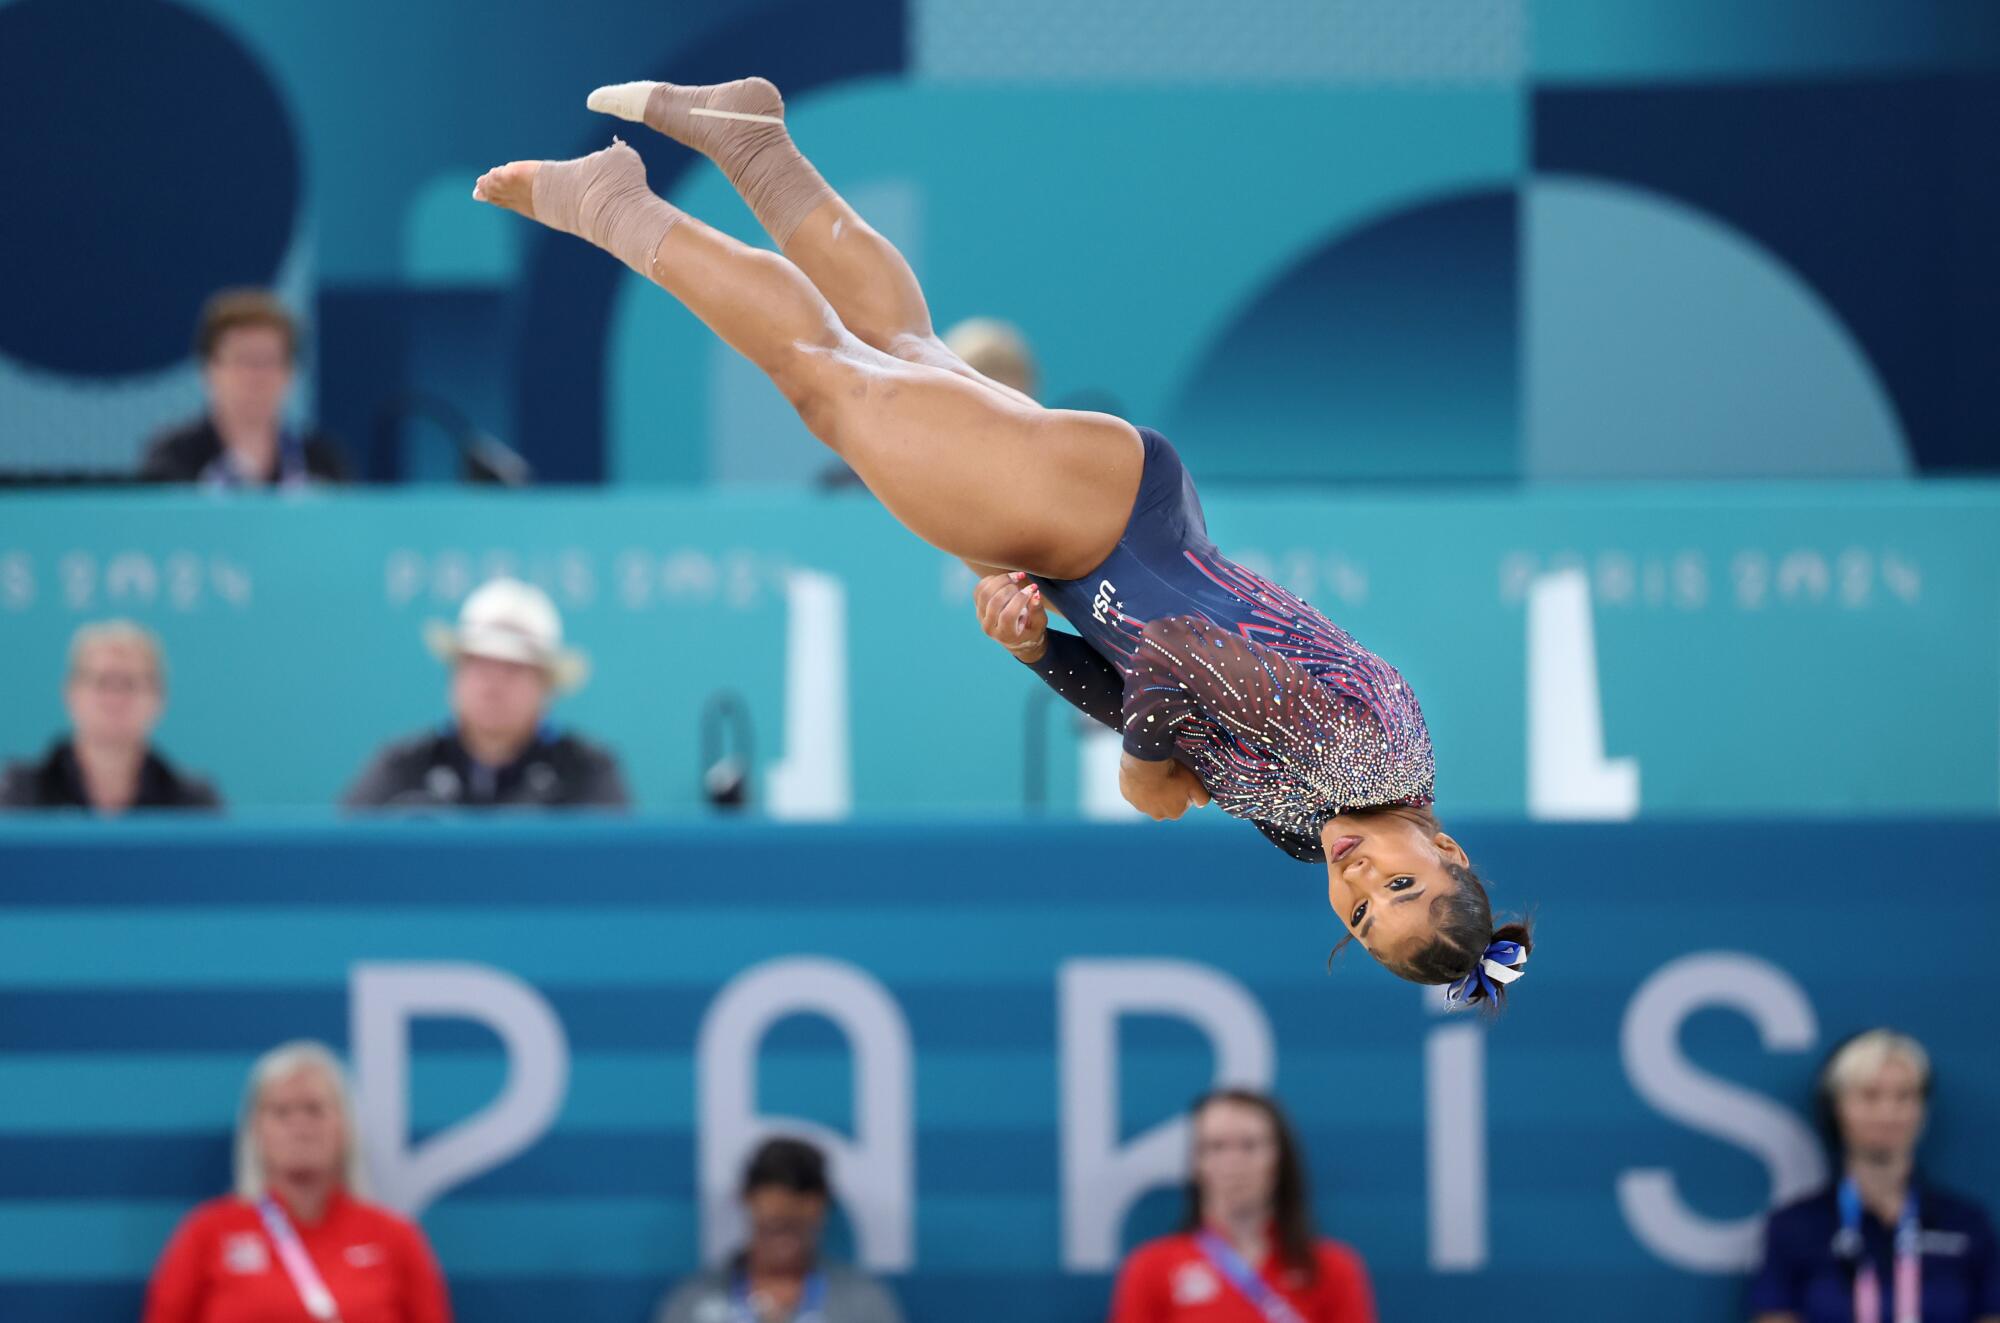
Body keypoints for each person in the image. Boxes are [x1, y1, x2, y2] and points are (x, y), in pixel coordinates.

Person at [470, 77, 1530, 1002]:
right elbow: (1174, 662)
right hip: (1104, 531)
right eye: (1396, 884)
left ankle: (751, 139)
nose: (1354, 883)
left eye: (1357, 918)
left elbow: (1140, 690)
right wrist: (1143, 780)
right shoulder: (1365, 758)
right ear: (1445, 846)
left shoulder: (1317, 828)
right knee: (826, 384)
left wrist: (1036, 654)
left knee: (890, 349)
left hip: (1104, 541)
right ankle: (614, 206)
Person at [143, 1040, 452, 1323]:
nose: (300, 1126)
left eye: (314, 1110)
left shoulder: (395, 1238)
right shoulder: (207, 1234)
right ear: (256, 1131)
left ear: (344, 1126)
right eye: (281, 1112)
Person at [1750, 1030, 2000, 1323]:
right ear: (1836, 1109)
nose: (1888, 1112)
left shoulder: (1967, 1224)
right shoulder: (1794, 1227)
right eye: (1870, 1096)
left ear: (1922, 1109)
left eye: (1905, 1096)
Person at [343, 577, 629, 809]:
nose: (493, 684)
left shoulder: (585, 772)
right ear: (454, 677)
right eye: (479, 665)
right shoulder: (404, 767)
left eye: (513, 669)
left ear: (547, 688)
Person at [1110, 1088, 1376, 1323]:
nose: (1233, 1161)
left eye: (1249, 1146)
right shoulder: (1151, 1268)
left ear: (1279, 1157)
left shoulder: (1332, 1268)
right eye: (1215, 1146)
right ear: (1196, 1162)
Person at [655, 1137, 904, 1323]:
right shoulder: (691, 1303)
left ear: (822, 1208)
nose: (784, 1236)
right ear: (746, 1200)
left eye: (797, 1226)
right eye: (773, 1225)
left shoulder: (863, 1304)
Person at [1, 619, 221, 813]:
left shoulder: (191, 804)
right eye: (102, 681)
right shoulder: (19, 796)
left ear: (159, 697)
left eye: (130, 683)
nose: (115, 697)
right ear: (71, 693)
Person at [139, 288, 349, 487]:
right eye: (243, 359)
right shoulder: (174, 459)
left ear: (290, 373)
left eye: (269, 360)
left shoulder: (323, 463)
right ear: (209, 369)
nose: (256, 375)